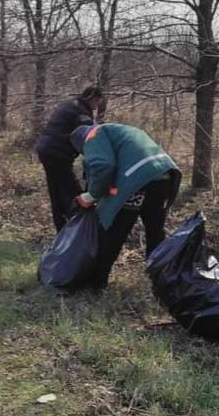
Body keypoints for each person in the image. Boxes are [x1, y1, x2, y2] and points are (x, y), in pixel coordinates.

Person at [70, 123, 181, 290]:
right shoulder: (119, 130)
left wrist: (91, 195)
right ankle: (161, 282)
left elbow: (103, 165)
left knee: (115, 230)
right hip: (164, 175)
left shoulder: (93, 135)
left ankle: (97, 283)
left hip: (140, 181)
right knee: (155, 231)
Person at [36, 86, 104, 231]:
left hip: (45, 150)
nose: (97, 106)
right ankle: (74, 229)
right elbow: (90, 138)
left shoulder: (70, 104)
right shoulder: (81, 113)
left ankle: (60, 226)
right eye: (97, 102)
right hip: (58, 154)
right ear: (92, 99)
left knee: (55, 190)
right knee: (71, 191)